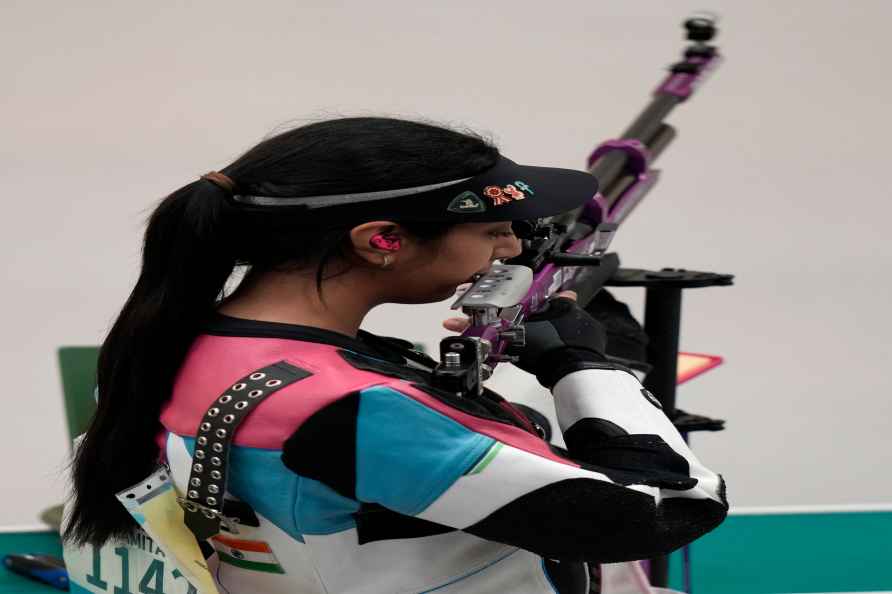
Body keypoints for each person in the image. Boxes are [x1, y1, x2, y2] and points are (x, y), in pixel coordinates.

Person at [62, 117, 727, 594]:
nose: (511, 251)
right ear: (382, 240)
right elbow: (666, 510)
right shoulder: (351, 408)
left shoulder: (183, 347)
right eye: (495, 230)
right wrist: (583, 365)